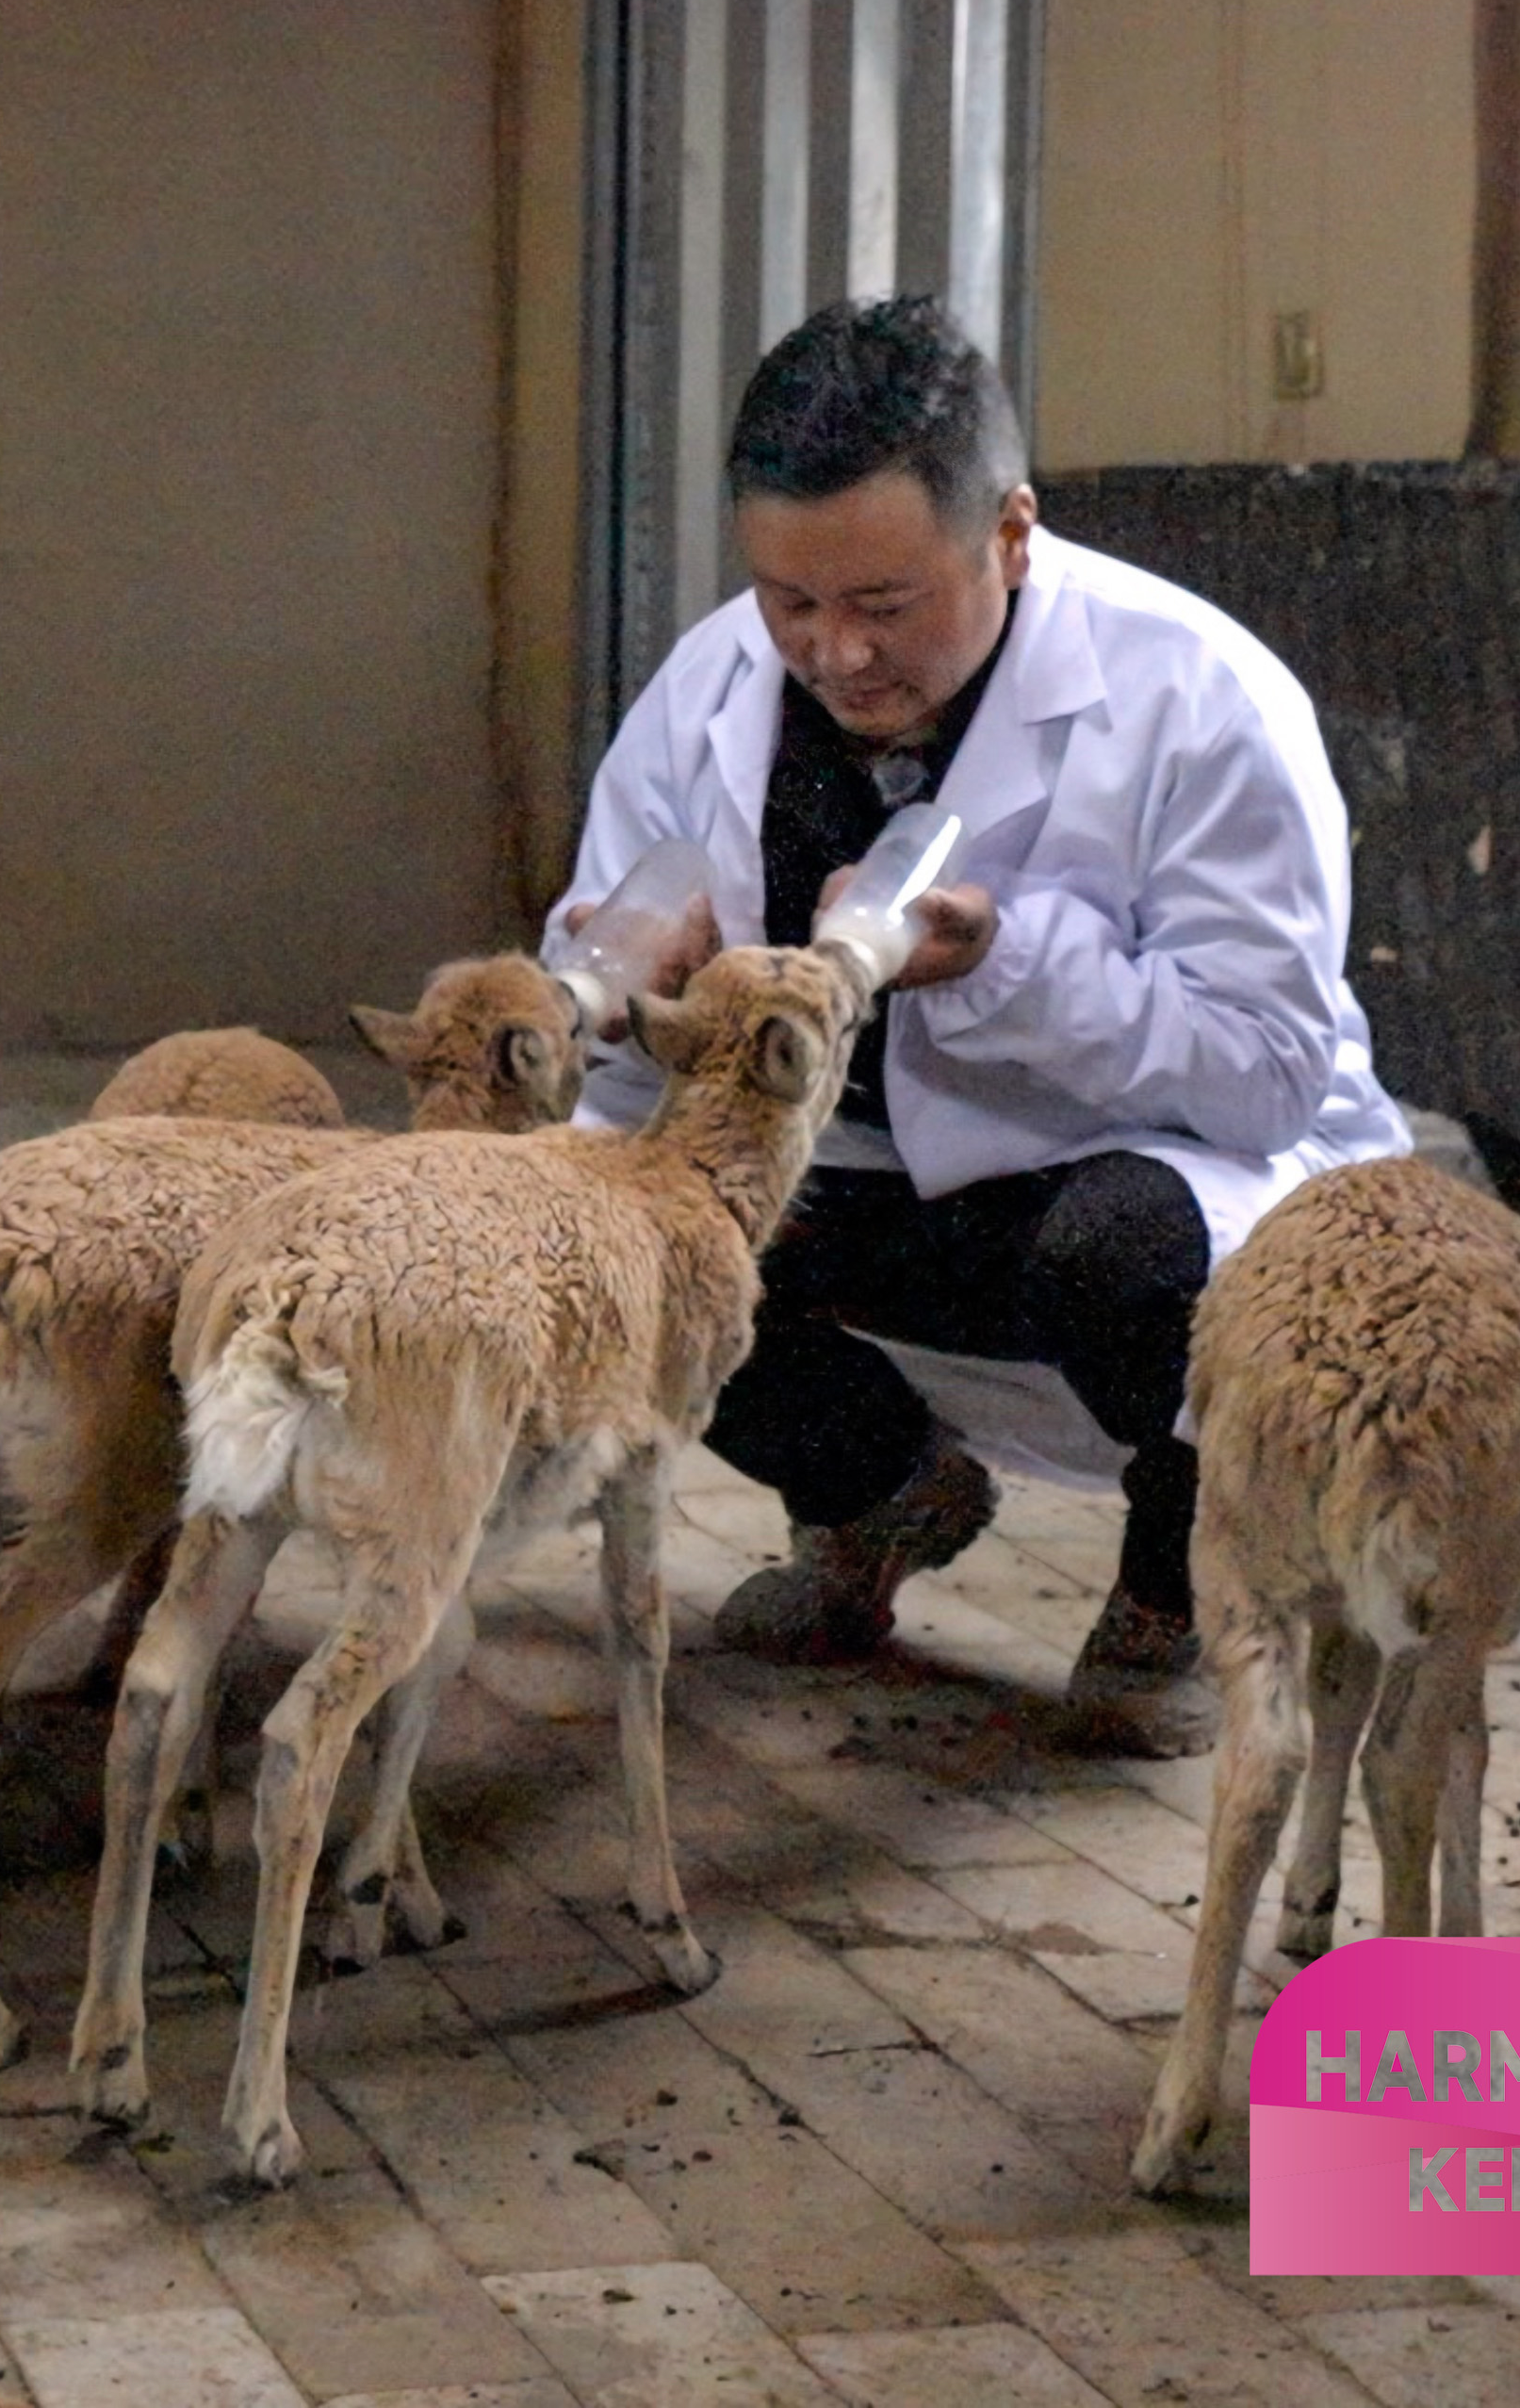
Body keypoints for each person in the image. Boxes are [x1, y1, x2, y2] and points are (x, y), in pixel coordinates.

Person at [548, 293, 1407, 1751]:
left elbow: (1269, 1075)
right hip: (865, 1180)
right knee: (623, 1239)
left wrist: (1013, 964)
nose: (833, 654)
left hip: (1127, 1186)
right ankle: (878, 1494)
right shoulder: (713, 682)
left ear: (1010, 535)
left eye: (884, 606)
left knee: (1125, 1261)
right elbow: (604, 973)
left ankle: (1190, 1578)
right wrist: (635, 1015)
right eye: (790, 601)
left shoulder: (1199, 694)